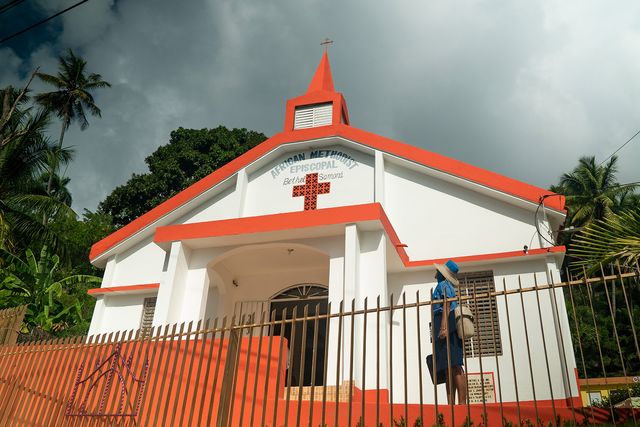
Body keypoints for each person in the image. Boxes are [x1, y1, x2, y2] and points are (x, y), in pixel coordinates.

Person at [431, 259, 467, 405]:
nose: (436, 272)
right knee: (447, 367)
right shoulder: (445, 285)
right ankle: (451, 404)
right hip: (443, 322)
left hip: (446, 323)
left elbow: (446, 306)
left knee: (455, 364)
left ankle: (461, 404)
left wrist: (443, 327)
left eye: (438, 271)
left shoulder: (443, 285)